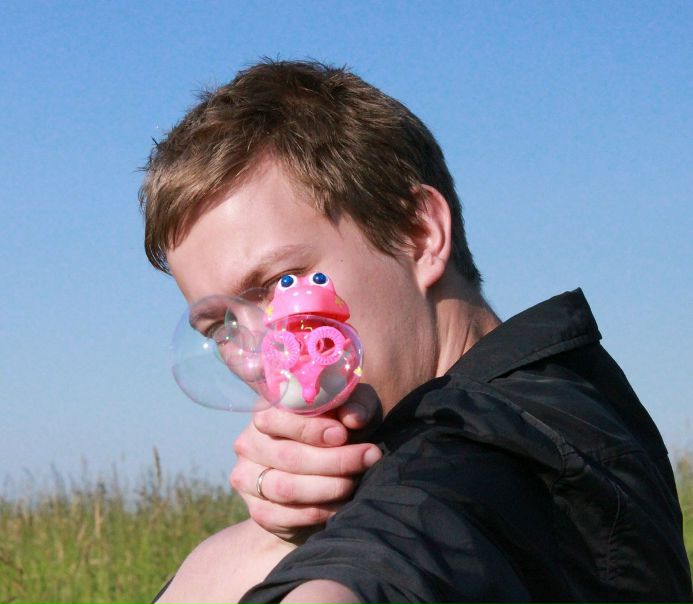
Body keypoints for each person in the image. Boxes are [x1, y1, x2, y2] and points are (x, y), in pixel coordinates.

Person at [140, 60, 692, 603]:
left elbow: (414, 535)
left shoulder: (483, 453)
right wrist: (285, 532)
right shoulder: (567, 393)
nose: (262, 352)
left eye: (282, 282)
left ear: (419, 234)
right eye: (223, 325)